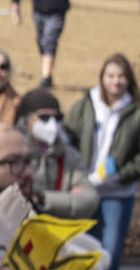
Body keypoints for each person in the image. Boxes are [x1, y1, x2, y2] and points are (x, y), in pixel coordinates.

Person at [66, 53, 140, 270]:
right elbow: (67, 140)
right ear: (102, 77)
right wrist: (74, 177)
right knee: (81, 248)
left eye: (122, 76)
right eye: (111, 76)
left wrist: (121, 174)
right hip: (84, 189)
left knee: (110, 250)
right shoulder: (86, 105)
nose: (116, 81)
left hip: (118, 193)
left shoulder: (138, 113)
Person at [18, 89, 96, 218]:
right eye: (44, 117)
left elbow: (89, 200)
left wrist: (43, 199)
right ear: (26, 121)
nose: (52, 124)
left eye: (57, 118)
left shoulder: (70, 156)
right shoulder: (13, 156)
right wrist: (66, 197)